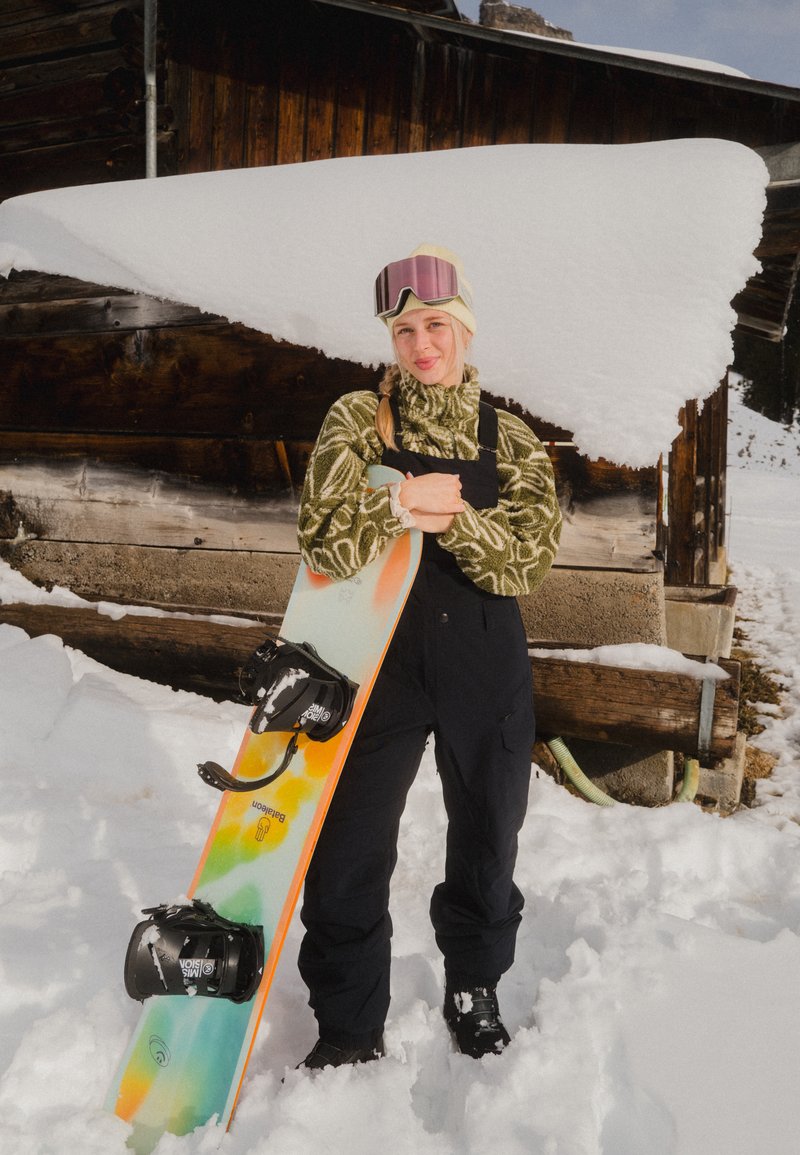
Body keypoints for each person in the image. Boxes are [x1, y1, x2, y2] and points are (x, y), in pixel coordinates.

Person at [295, 244, 562, 1069]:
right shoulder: (358, 419)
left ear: (465, 330)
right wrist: (398, 503)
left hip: (484, 656)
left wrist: (458, 520)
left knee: (488, 830)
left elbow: (529, 562)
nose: (421, 344)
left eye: (436, 325)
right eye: (404, 330)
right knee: (347, 843)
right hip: (378, 654)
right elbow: (321, 540)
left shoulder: (510, 438)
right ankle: (347, 1023)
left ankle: (474, 987)